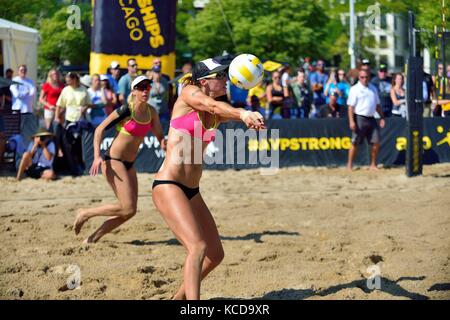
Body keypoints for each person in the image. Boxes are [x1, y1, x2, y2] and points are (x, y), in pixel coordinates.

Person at [151, 58, 265, 300]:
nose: (226, 80)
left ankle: (178, 299)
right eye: (220, 76)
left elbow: (221, 111)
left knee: (215, 254)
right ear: (204, 81)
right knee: (198, 247)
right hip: (168, 185)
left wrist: (248, 116)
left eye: (225, 75)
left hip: (191, 190)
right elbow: (212, 107)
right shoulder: (189, 92)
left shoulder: (214, 108)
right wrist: (242, 113)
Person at [73, 76, 166, 244]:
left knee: (130, 211)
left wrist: (165, 144)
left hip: (129, 165)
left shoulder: (152, 112)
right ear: (134, 91)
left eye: (148, 87)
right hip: (113, 162)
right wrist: (96, 157)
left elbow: (160, 135)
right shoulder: (126, 110)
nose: (145, 90)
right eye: (141, 87)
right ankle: (85, 213)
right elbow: (99, 130)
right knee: (127, 207)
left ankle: (92, 238)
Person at [347, 70, 385, 171]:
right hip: (359, 117)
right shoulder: (355, 89)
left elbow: (377, 105)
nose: (364, 79)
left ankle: (373, 164)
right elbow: (350, 107)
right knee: (355, 142)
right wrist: (351, 121)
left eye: (366, 77)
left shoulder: (373, 88)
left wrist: (382, 117)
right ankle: (349, 165)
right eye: (362, 77)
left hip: (371, 117)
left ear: (369, 77)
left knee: (376, 142)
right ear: (359, 77)